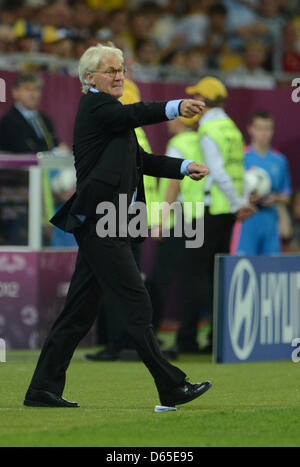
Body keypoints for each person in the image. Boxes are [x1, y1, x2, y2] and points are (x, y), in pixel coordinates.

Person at [23, 43, 212, 408]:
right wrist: (173, 106)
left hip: (112, 223)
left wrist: (183, 167)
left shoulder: (112, 115)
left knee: (78, 312)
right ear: (89, 78)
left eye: (122, 69)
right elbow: (137, 114)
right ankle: (170, 385)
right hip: (100, 224)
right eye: (111, 70)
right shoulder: (98, 107)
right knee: (136, 300)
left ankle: (42, 389)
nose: (119, 75)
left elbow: (140, 159)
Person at [168, 76, 255, 354]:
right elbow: (235, 171)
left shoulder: (208, 130)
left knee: (193, 274)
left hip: (207, 210)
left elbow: (216, 172)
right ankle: (217, 339)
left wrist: (235, 202)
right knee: (215, 274)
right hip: (225, 214)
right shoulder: (232, 129)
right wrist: (238, 204)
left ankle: (187, 339)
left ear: (204, 102)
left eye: (197, 98)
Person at [0, 72, 62, 245]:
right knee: (23, 238)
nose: (33, 94)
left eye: (36, 90)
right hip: (19, 193)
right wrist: (53, 152)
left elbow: (54, 145)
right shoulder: (9, 121)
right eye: (28, 89)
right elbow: (25, 152)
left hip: (48, 190)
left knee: (46, 237)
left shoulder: (45, 119)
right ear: (15, 93)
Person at [232, 111, 291, 256]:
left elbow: (286, 195)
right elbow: (230, 189)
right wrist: (246, 197)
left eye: (268, 128)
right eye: (260, 128)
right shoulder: (240, 157)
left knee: (269, 271)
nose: (264, 133)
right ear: (251, 129)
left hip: (270, 222)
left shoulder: (279, 160)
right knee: (242, 267)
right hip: (246, 222)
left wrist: (274, 198)